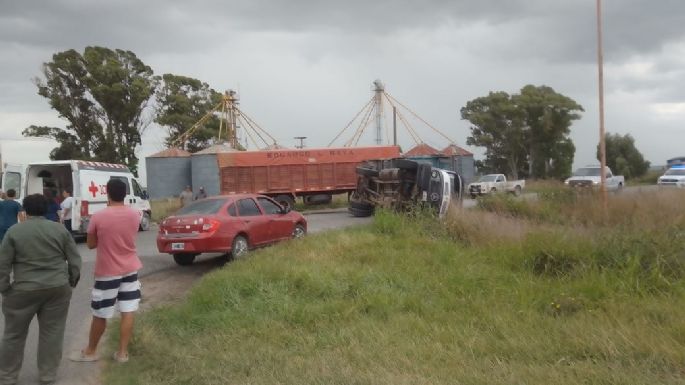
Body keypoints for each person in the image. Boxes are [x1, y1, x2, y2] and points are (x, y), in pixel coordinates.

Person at [0, 194, 81, 385]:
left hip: (23, 289)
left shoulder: (14, 231)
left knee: (13, 334)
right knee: (52, 333)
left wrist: (5, 288)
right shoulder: (59, 230)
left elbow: (3, 264)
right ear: (46, 209)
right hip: (57, 288)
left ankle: (8, 376)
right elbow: (75, 260)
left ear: (25, 211)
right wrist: (70, 281)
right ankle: (47, 376)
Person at [70, 179, 142, 364]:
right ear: (125, 194)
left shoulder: (98, 216)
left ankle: (91, 351)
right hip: (130, 269)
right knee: (128, 310)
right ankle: (122, 354)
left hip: (108, 271)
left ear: (107, 193)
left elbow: (91, 244)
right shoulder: (136, 214)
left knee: (101, 313)